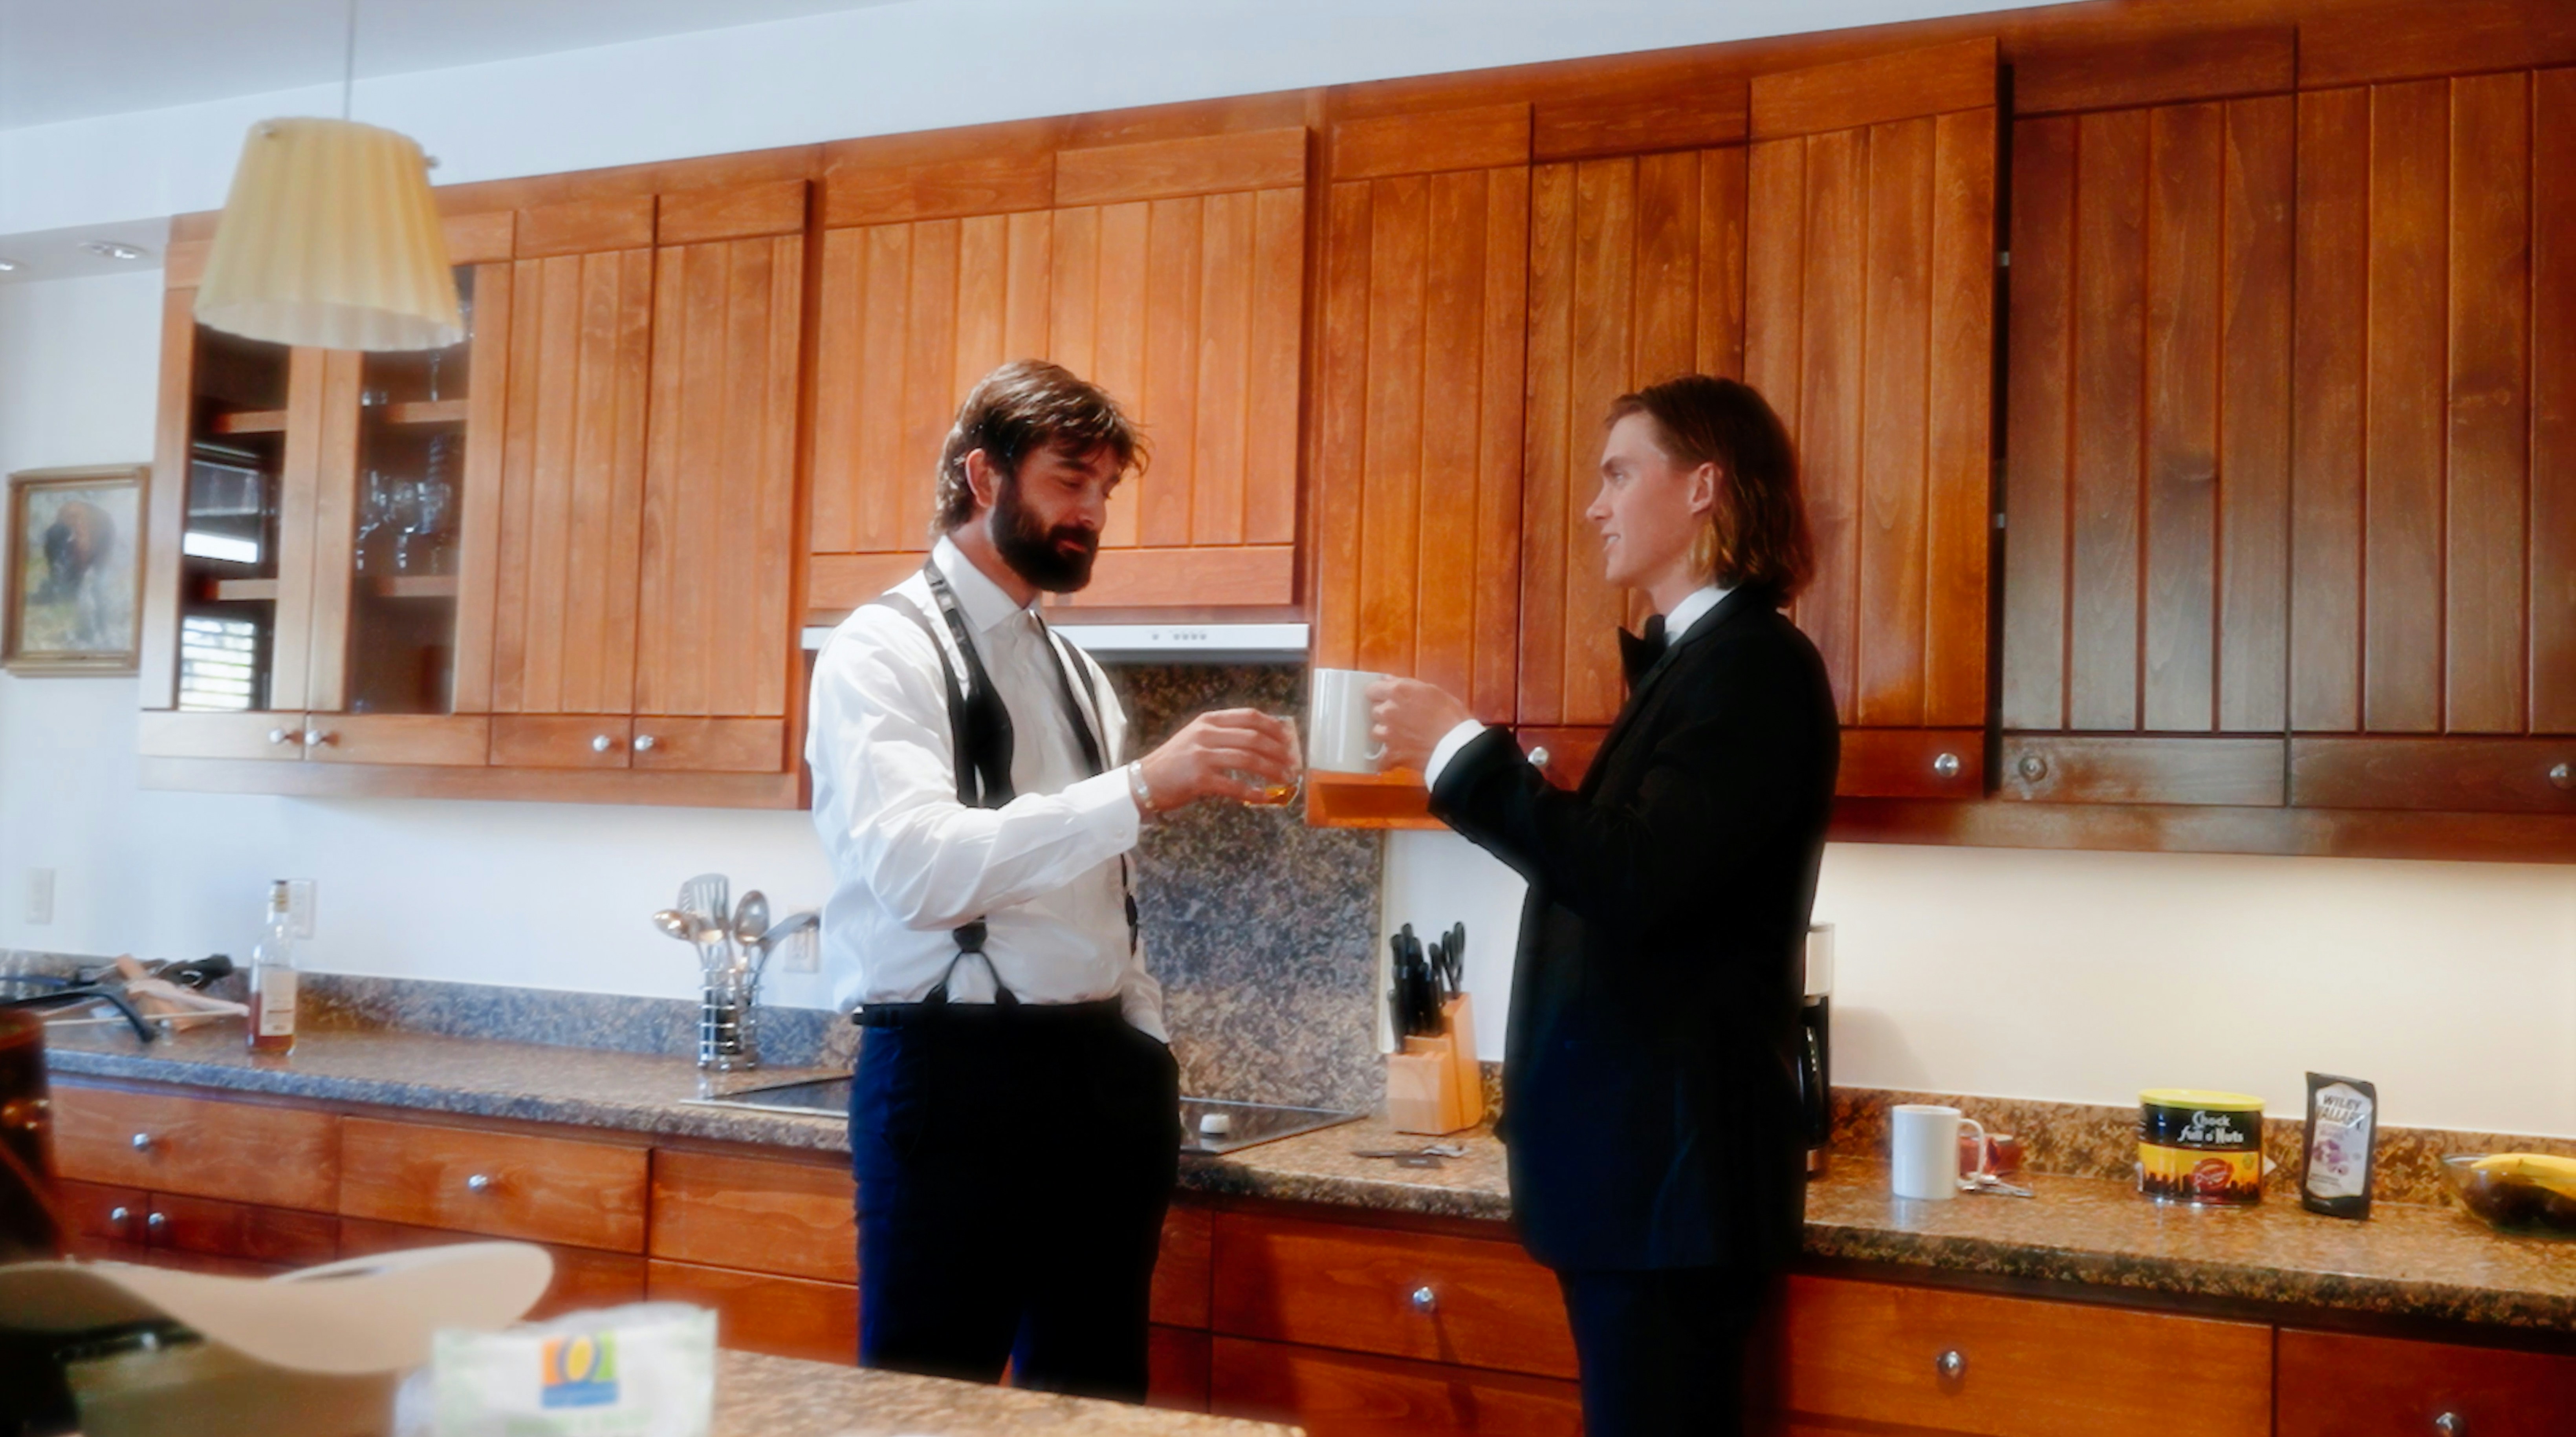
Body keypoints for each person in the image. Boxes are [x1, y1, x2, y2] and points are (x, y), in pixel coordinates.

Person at [806, 360, 1297, 1401]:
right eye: (1071, 481)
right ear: (985, 477)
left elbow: (1108, 895)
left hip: (1103, 1084)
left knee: (1098, 1406)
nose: (1093, 514)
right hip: (952, 1084)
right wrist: (1142, 788)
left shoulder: (1076, 673)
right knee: (925, 1410)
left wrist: (1144, 1045)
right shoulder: (881, 651)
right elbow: (918, 871)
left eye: (1105, 490)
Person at [1368, 374, 1839, 1437]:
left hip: (1672, 1194)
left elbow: (1630, 878)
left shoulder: (1752, 666)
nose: (1596, 506)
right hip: (1646, 1190)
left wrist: (1461, 749)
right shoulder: (1704, 663)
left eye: (1620, 474)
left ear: (1704, 487)